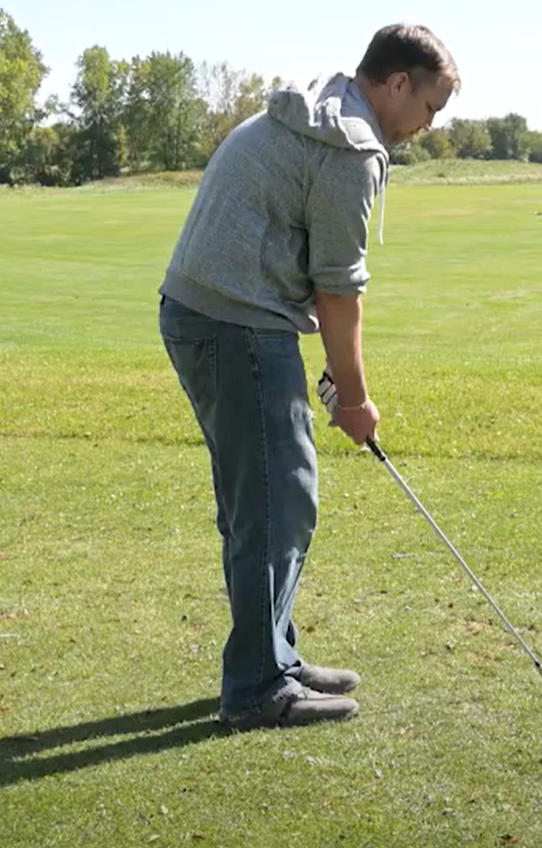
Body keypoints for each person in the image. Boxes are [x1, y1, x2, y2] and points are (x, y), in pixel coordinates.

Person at [157, 23, 459, 731]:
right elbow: (339, 291)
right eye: (430, 106)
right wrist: (352, 399)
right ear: (395, 84)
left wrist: (329, 371)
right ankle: (257, 687)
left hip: (205, 314)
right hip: (236, 327)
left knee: (257, 501)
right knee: (275, 504)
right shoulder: (349, 148)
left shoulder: (313, 111)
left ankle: (273, 657)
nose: (428, 124)